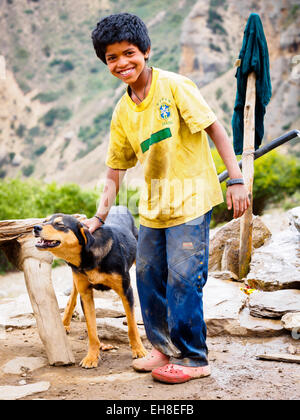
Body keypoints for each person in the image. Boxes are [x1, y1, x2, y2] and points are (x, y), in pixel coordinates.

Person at [84, 13, 250, 384]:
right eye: (112, 58)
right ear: (105, 62)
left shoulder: (175, 86)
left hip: (190, 201)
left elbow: (214, 128)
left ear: (146, 50)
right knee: (147, 276)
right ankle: (163, 349)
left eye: (128, 53)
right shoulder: (123, 111)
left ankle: (194, 358)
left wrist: (236, 178)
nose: (122, 63)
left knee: (183, 279)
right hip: (155, 206)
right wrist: (99, 216)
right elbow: (116, 168)